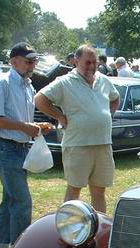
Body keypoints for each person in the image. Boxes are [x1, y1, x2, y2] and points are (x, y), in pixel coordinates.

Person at [0, 42, 52, 248]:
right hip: (4, 147)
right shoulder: (1, 83)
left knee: (10, 199)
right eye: (28, 60)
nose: (32, 64)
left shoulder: (28, 86)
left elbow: (19, 120)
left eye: (34, 60)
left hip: (19, 148)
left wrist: (36, 127)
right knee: (22, 201)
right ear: (14, 62)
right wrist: (25, 127)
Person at [34, 44, 120, 213]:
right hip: (77, 145)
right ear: (76, 61)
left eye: (94, 62)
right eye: (87, 62)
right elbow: (40, 99)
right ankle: (68, 230)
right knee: (74, 190)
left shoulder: (103, 80)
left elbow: (115, 98)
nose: (92, 66)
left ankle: (99, 231)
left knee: (99, 191)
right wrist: (59, 116)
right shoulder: (65, 82)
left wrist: (108, 114)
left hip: (103, 143)